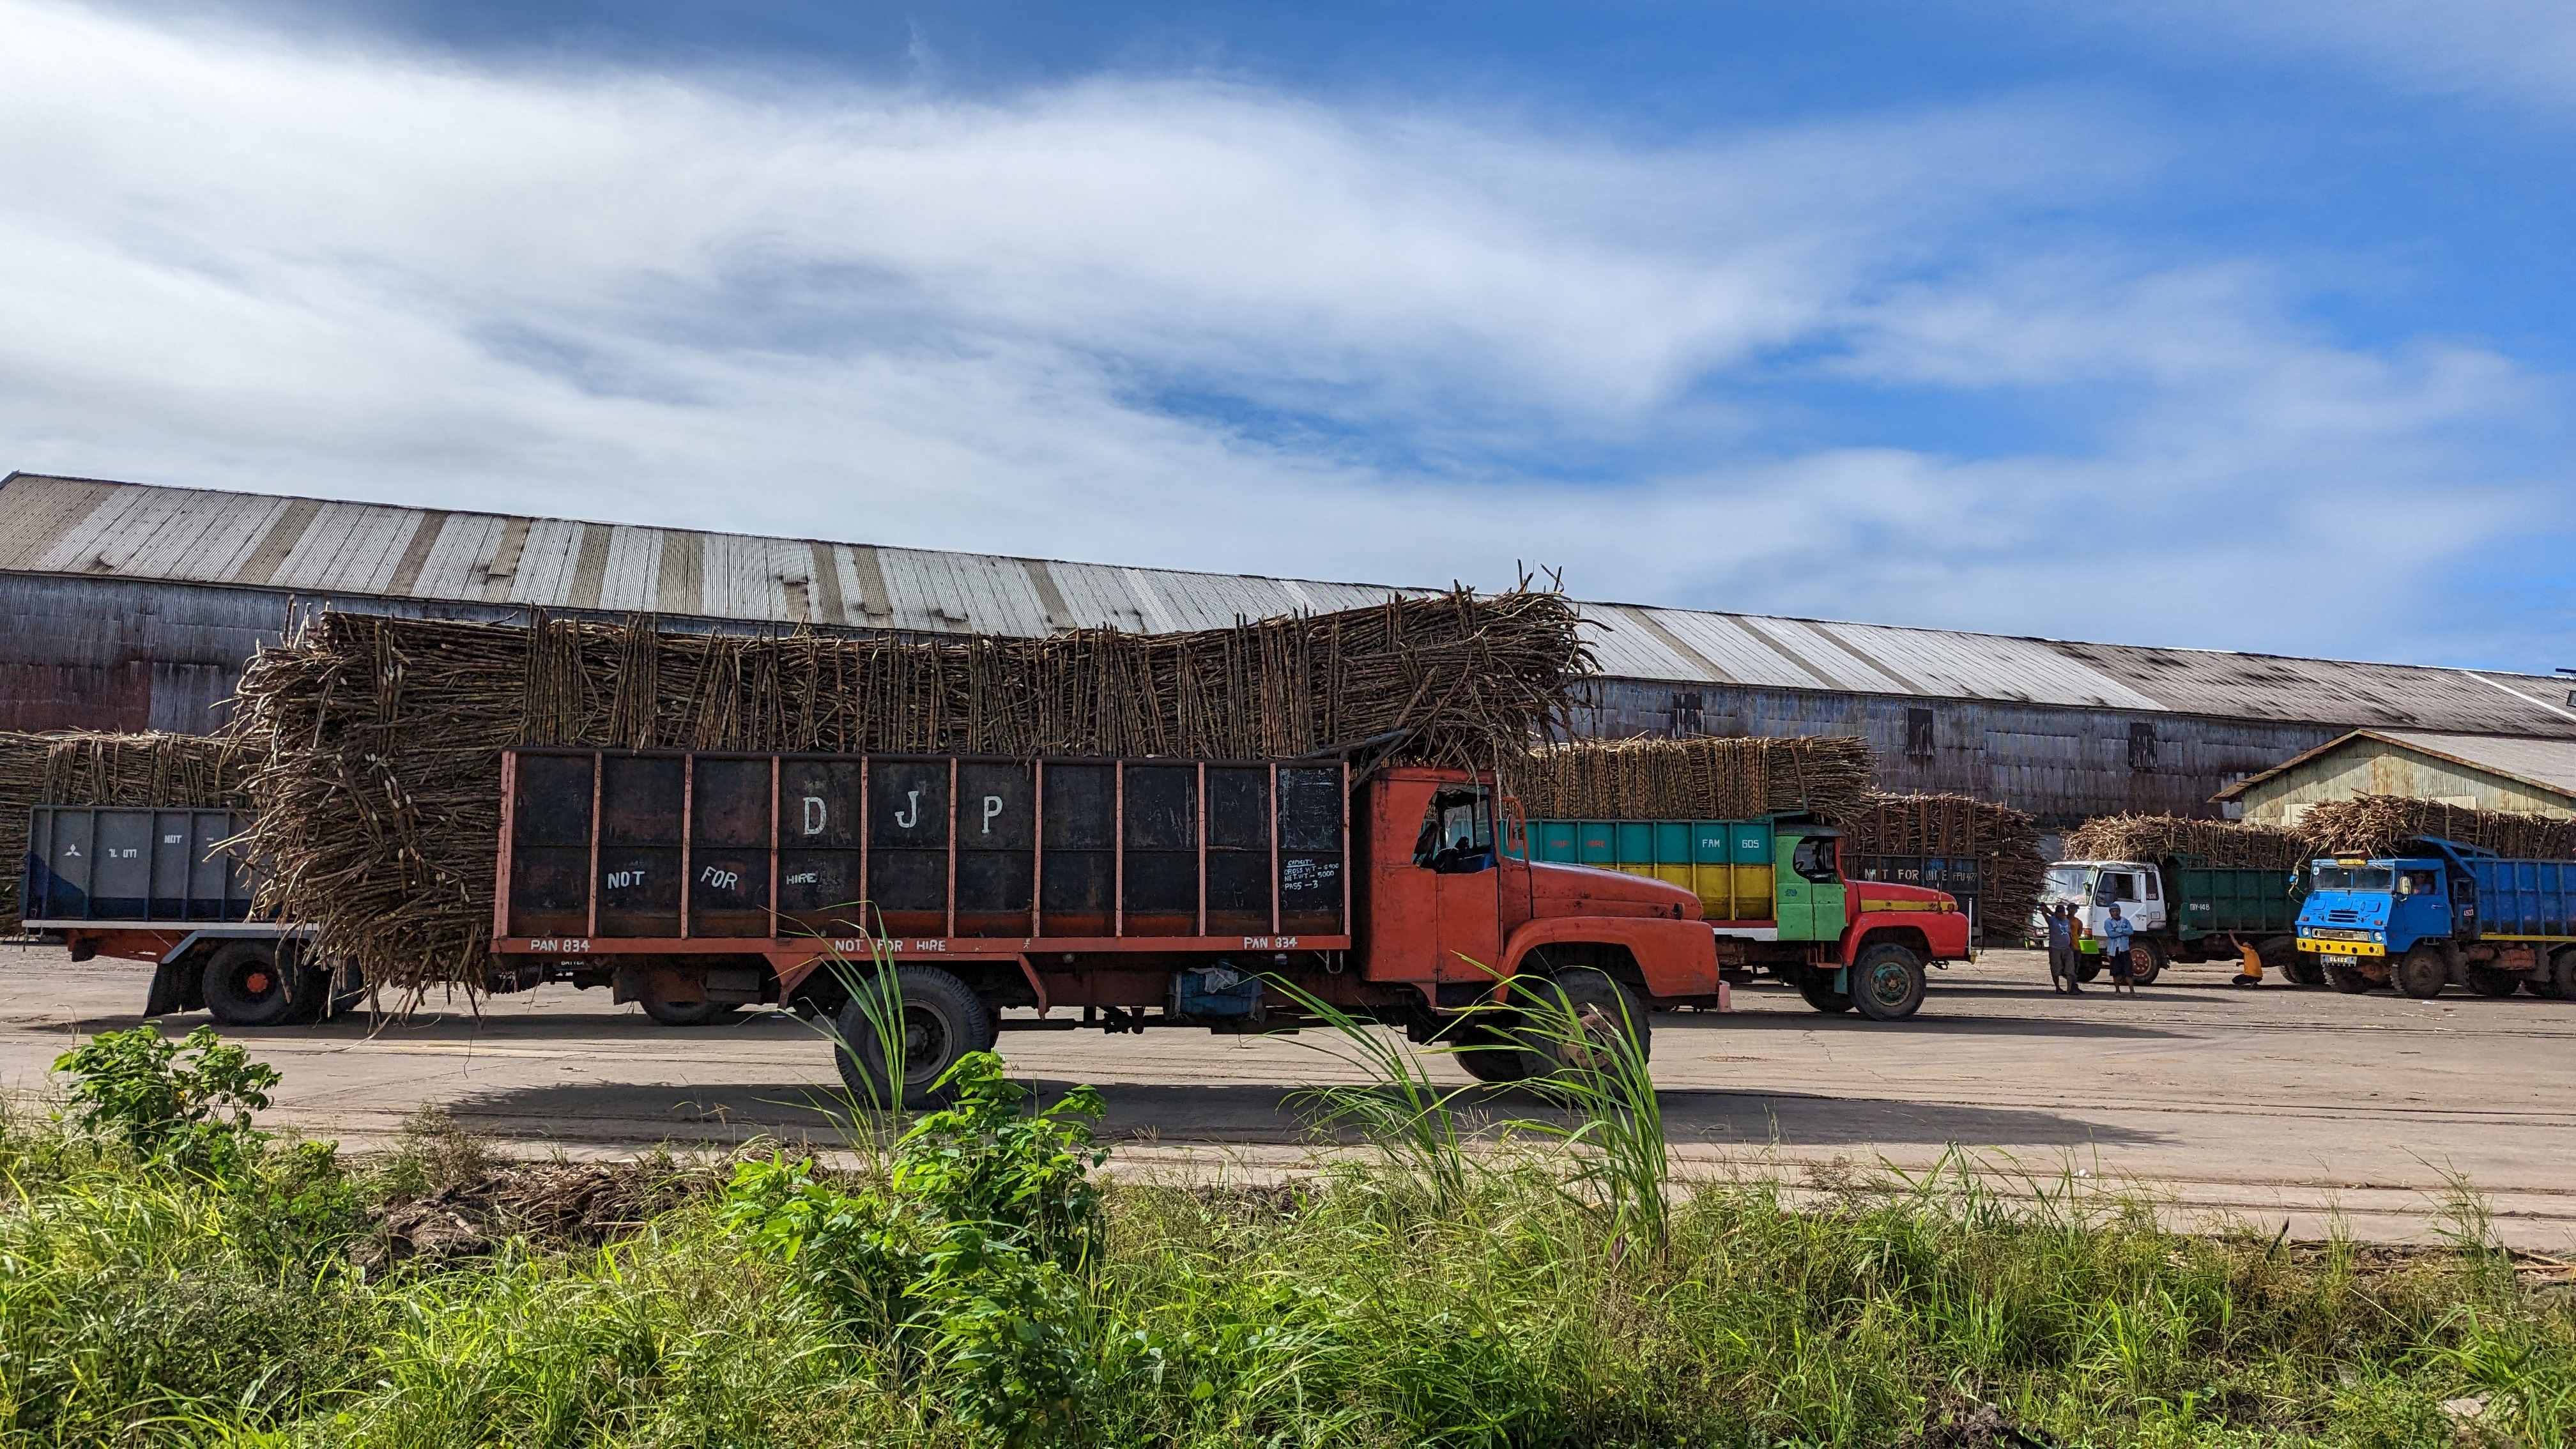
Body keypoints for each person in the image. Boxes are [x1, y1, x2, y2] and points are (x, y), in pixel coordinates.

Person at [2045, 903, 2081, 994]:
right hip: (2056, 948)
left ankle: (2070, 989)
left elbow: (2074, 933)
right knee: (2056, 968)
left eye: (2063, 912)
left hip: (2069, 947)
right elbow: (2048, 915)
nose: (2062, 914)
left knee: (2071, 969)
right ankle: (2058, 988)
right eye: (2060, 912)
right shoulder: (2053, 920)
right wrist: (2044, 910)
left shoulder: (2068, 921)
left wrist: (2071, 944)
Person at [2102, 903, 2137, 996]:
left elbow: (2131, 931)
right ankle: (2117, 991)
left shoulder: (2125, 921)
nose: (2115, 913)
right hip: (2114, 950)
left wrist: (2118, 930)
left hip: (2124, 949)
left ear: (2120, 911)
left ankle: (2132, 992)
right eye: (2113, 911)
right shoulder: (2108, 922)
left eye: (2116, 911)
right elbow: (2111, 934)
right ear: (2110, 913)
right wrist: (2123, 932)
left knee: (2128, 971)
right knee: (2116, 971)